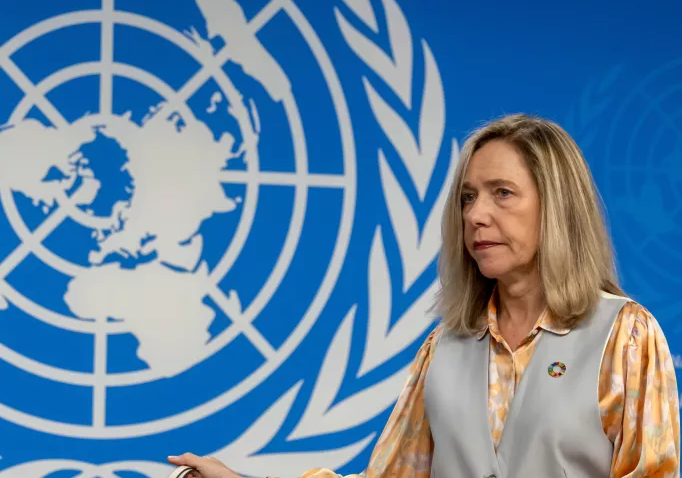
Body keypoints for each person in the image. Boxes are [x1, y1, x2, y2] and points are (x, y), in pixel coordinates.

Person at [168, 113, 681, 477]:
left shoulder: (625, 336)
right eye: (468, 197)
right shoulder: (445, 349)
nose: (476, 215)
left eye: (502, 193)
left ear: (558, 207)